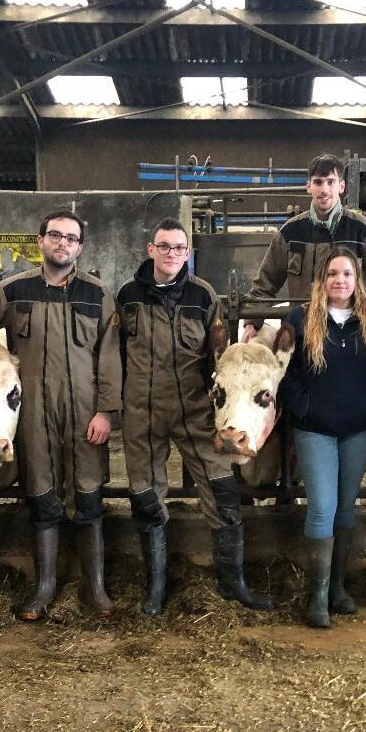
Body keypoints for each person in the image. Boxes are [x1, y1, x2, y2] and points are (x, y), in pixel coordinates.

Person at [0, 210, 121, 620]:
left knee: (88, 495)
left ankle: (94, 588)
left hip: (85, 413)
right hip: (33, 414)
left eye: (72, 238)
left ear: (80, 247)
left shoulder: (97, 294)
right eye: (56, 236)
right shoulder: (14, 290)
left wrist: (106, 411)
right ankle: (44, 586)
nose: (63, 243)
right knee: (41, 494)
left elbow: (112, 356)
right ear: (41, 240)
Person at [118, 217, 272, 615]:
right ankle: (155, 588)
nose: (172, 254)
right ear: (150, 249)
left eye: (179, 248)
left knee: (223, 493)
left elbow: (215, 356)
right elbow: (114, 354)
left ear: (188, 254)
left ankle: (232, 582)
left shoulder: (204, 296)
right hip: (142, 413)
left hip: (196, 411)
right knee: (146, 497)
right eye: (165, 246)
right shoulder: (127, 295)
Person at [277, 247, 366, 628]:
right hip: (315, 429)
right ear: (321, 280)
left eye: (347, 274)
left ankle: (337, 588)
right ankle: (315, 597)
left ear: (357, 280)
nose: (339, 281)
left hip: (357, 429)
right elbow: (284, 372)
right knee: (322, 507)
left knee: (346, 506)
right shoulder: (299, 319)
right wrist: (304, 407)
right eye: (332, 274)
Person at [243, 153, 366, 340]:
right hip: (301, 332)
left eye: (331, 182)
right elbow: (266, 283)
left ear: (342, 186)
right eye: (318, 182)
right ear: (308, 186)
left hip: (349, 333)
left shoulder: (363, 230)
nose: (324, 190)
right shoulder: (290, 233)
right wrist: (251, 323)